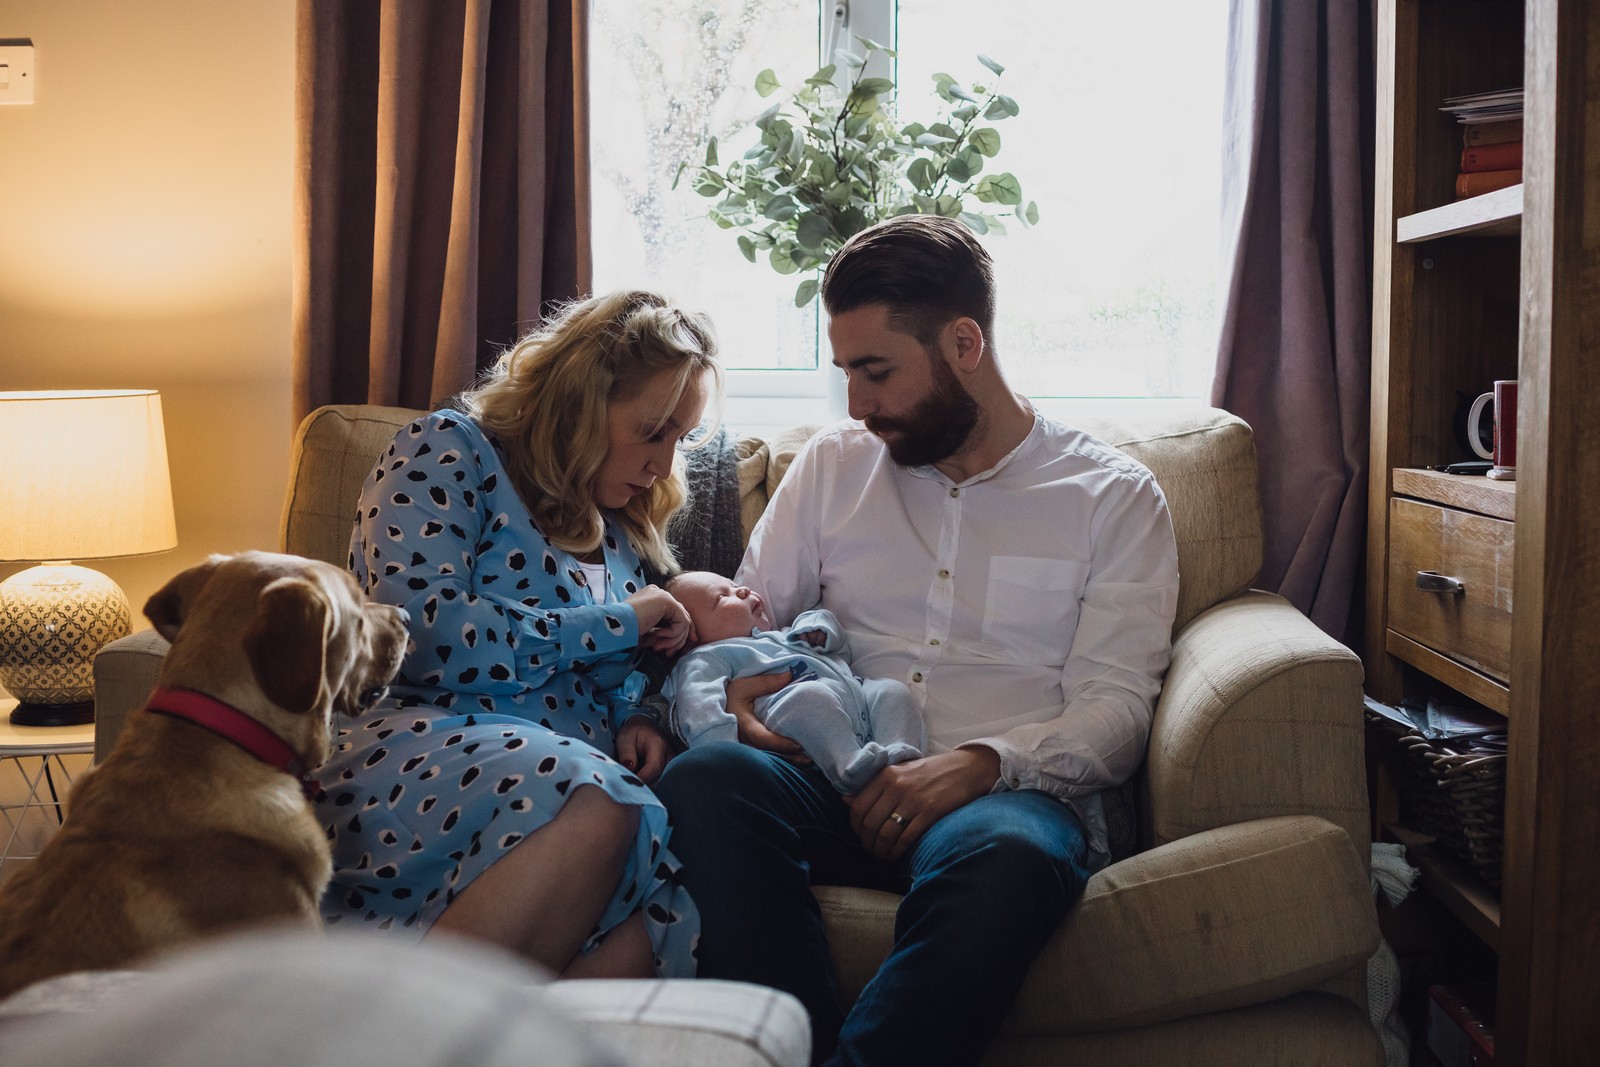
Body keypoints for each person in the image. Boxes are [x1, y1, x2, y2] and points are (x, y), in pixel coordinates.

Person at [653, 215, 1180, 1067]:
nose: (857, 405)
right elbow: (751, 621)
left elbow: (1117, 706)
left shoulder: (1111, 497)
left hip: (995, 800)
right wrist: (736, 700)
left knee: (1013, 856)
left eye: (877, 371)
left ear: (965, 343)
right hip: (832, 770)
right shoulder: (832, 466)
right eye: (846, 374)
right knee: (707, 780)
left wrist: (979, 763)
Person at [318, 289, 721, 981]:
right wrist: (619, 621)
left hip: (570, 775)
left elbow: (611, 673)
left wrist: (637, 714)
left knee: (655, 931)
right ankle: (402, 1023)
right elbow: (421, 634)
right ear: (582, 401)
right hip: (431, 749)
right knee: (600, 803)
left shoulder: (620, 526)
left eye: (679, 440)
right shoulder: (448, 449)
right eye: (653, 430)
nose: (663, 463)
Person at [663, 570, 925, 793]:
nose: (742, 590)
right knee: (809, 696)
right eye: (722, 597)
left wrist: (819, 629)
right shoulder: (708, 656)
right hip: (799, 723)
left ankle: (900, 757)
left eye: (733, 584)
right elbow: (698, 705)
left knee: (892, 691)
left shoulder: (787, 636)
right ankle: (848, 765)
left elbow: (841, 654)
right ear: (691, 640)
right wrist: (724, 748)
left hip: (857, 699)